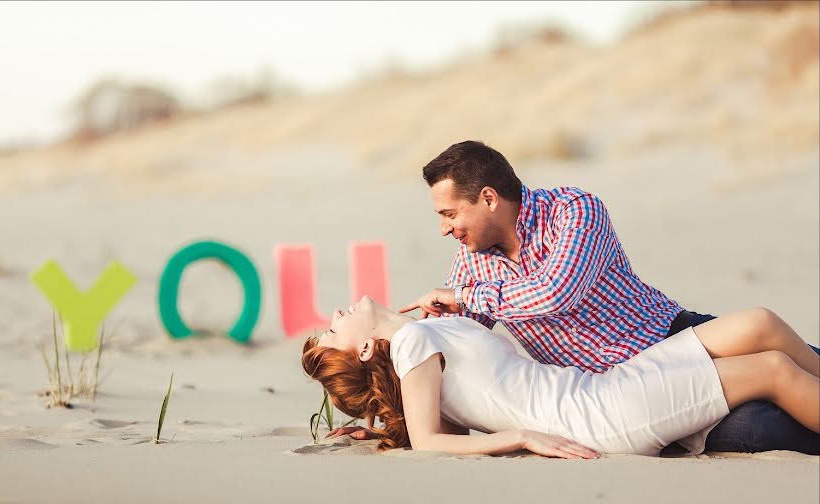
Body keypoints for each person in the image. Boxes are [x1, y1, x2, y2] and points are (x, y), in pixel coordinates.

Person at [396, 140, 820, 454]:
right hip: (623, 395)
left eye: (450, 214)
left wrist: (469, 296)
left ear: (488, 198)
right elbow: (449, 357)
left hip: (671, 336)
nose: (445, 229)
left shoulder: (573, 210)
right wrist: (392, 419)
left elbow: (557, 292)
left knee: (777, 342)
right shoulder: (471, 264)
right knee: (764, 424)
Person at [303, 296, 819, 457]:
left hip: (604, 388)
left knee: (759, 324)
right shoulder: (412, 346)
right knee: (772, 370)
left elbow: (438, 419)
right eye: (332, 329)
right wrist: (522, 436)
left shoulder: (425, 333)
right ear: (366, 347)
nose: (337, 312)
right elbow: (429, 440)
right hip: (600, 417)